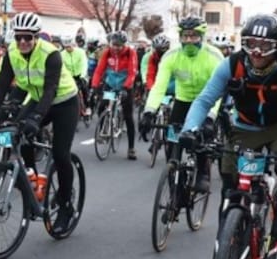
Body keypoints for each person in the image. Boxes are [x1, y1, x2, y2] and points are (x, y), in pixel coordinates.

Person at [180, 13, 277, 239]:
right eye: (251, 44)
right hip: (244, 127)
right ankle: (225, 241)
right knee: (230, 188)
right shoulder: (231, 64)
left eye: (264, 45)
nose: (256, 52)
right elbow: (204, 100)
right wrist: (189, 130)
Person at [0, 12, 79, 234]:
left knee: (61, 154)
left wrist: (36, 118)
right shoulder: (11, 53)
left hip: (64, 101)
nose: (22, 42)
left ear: (36, 37)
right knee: (17, 132)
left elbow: (50, 90)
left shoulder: (51, 54)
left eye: (28, 38)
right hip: (36, 98)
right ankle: (32, 179)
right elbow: (2, 85)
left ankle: (65, 206)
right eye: (19, 37)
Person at [140, 17, 223, 191]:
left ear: (202, 36)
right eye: (185, 36)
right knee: (173, 143)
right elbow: (159, 86)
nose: (189, 40)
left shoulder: (213, 56)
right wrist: (149, 111)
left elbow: (219, 90)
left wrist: (211, 116)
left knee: (203, 139)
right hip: (182, 100)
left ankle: (202, 172)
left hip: (207, 102)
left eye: (193, 36)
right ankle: (175, 178)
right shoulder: (171, 56)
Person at [91, 31, 138, 159]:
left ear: (124, 45)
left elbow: (132, 73)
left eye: (119, 45)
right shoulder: (107, 52)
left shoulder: (130, 53)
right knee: (101, 107)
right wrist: (94, 85)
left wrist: (126, 87)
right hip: (110, 85)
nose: (116, 48)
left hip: (125, 85)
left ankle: (131, 148)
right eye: (114, 45)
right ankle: (102, 132)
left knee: (128, 116)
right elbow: (99, 70)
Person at [61, 37, 90, 116]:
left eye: (69, 46)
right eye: (66, 47)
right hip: (70, 76)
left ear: (73, 45)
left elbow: (84, 64)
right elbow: (63, 67)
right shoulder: (62, 54)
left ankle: (87, 106)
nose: (68, 49)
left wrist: (83, 75)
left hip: (80, 74)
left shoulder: (80, 52)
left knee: (84, 89)